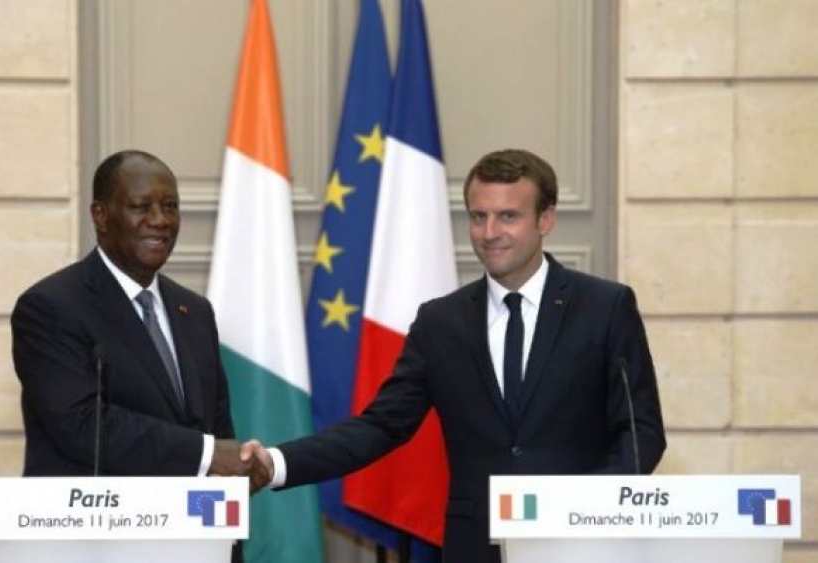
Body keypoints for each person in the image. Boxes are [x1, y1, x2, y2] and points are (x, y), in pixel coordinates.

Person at [244, 148, 666, 562]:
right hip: (475, 547)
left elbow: (641, 432)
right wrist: (276, 463)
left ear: (545, 220)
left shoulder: (604, 307)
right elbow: (380, 426)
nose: (490, 232)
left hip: (582, 545)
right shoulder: (440, 322)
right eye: (478, 216)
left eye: (508, 216)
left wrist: (578, 509)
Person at [11, 149, 265, 484]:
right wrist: (206, 455)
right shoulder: (51, 306)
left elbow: (216, 427)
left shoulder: (195, 311)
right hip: (92, 514)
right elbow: (81, 424)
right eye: (141, 207)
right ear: (101, 216)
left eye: (170, 206)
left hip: (190, 516)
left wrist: (234, 471)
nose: (160, 220)